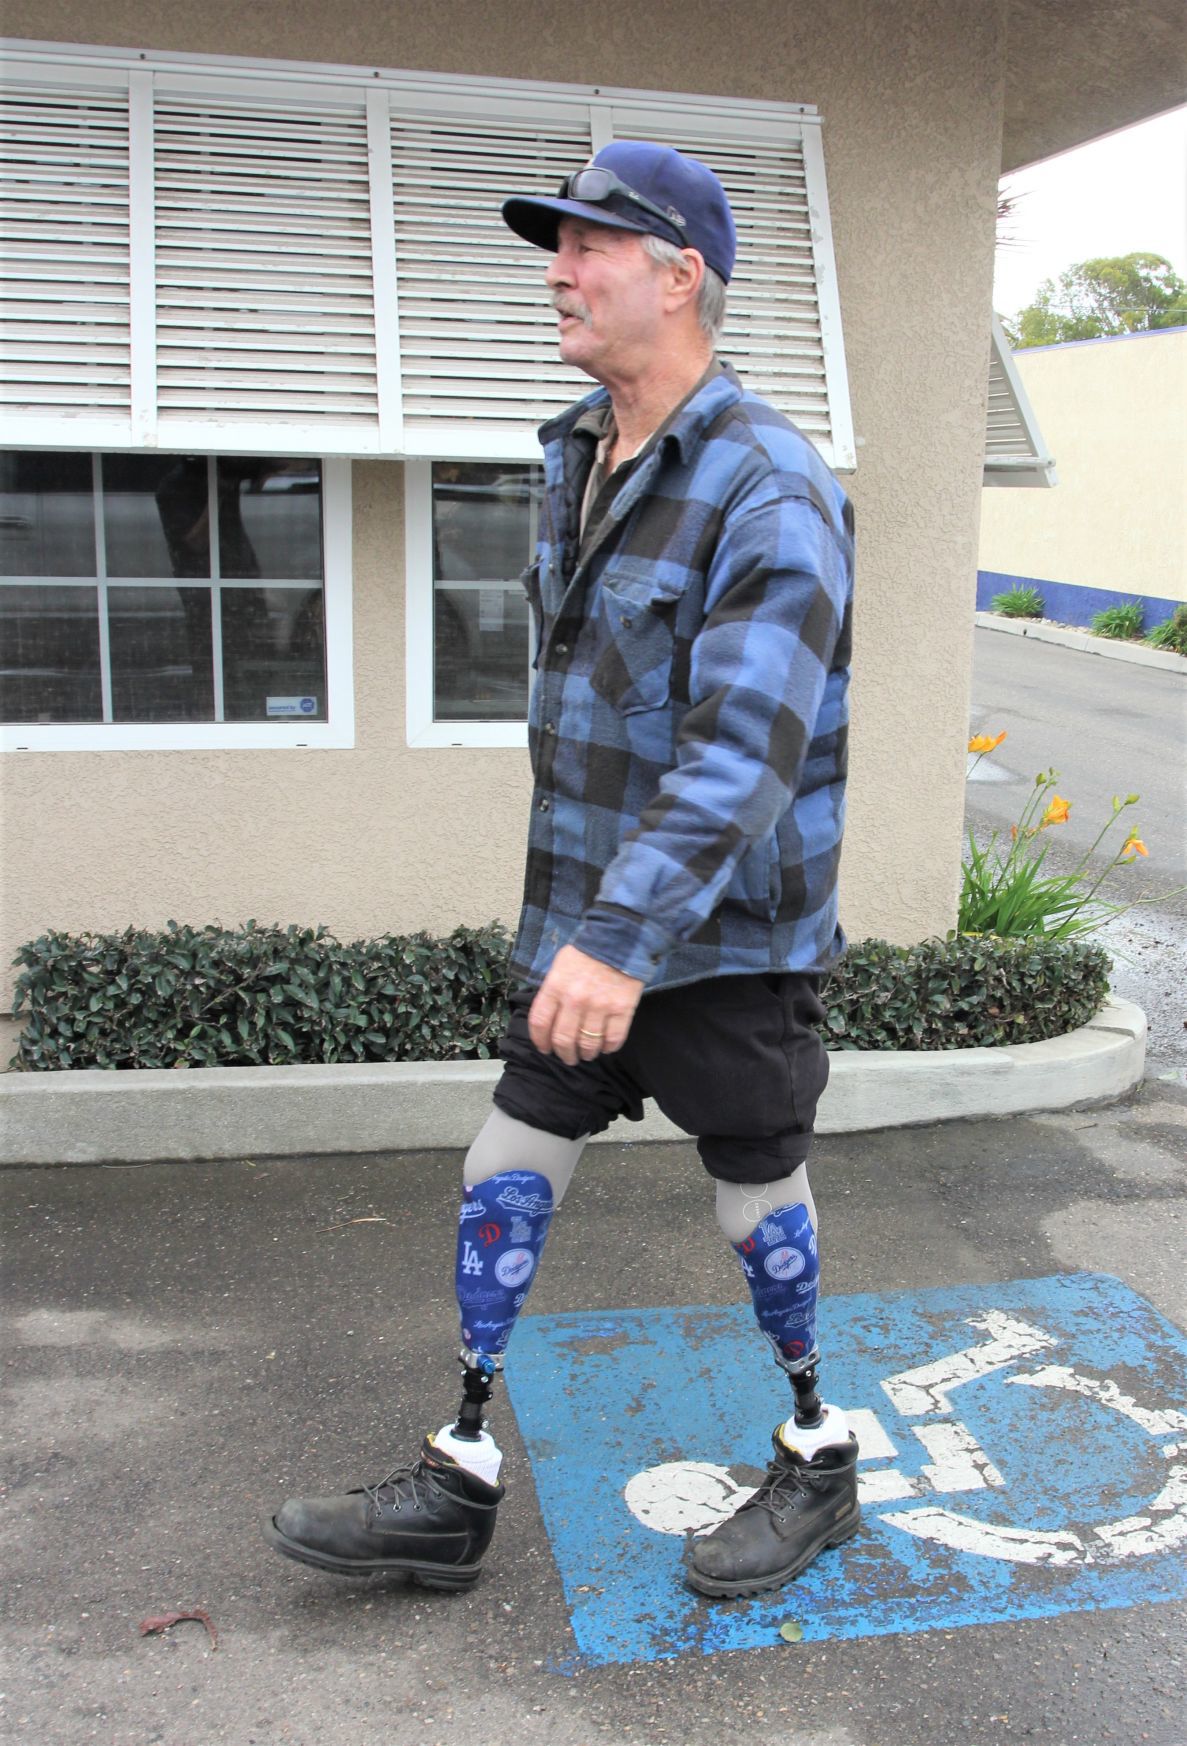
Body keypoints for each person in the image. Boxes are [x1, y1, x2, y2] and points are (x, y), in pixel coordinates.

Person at [265, 140, 858, 1600]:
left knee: (757, 1196)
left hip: (722, 943)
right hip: (588, 922)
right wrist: (582, 933)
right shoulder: (581, 454)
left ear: (681, 277)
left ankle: (817, 1449)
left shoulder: (769, 487)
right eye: (561, 243)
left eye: (594, 244)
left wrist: (622, 939)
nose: (560, 269)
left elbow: (744, 754)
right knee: (505, 1164)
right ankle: (457, 1473)